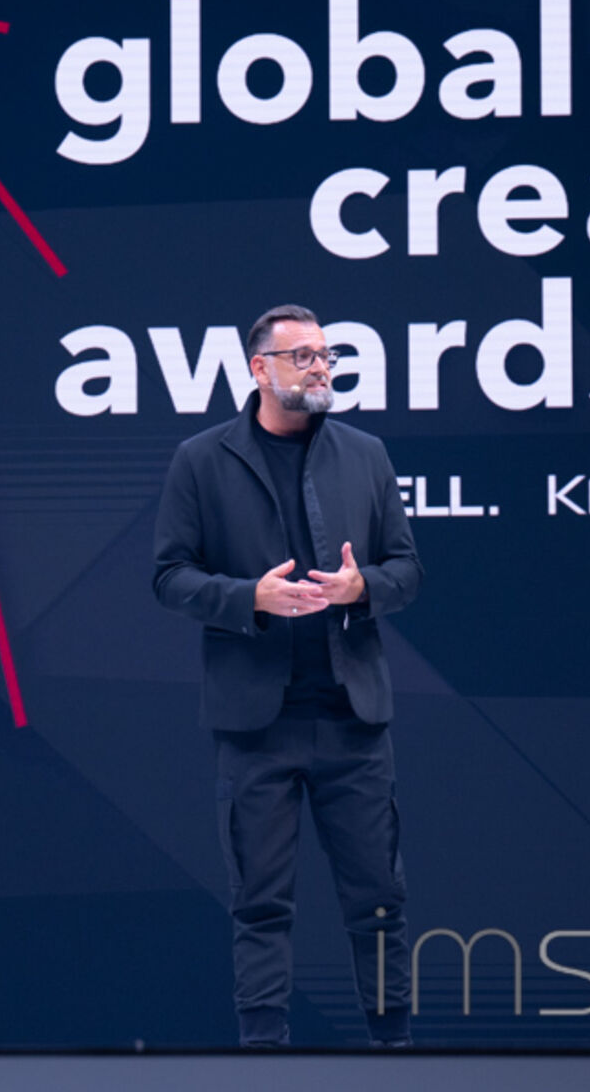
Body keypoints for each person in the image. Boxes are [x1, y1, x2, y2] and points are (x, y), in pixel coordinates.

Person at [153, 305, 423, 1047]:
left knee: (379, 900)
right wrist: (251, 598)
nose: (319, 368)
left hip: (352, 719)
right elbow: (170, 576)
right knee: (260, 904)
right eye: (302, 356)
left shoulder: (365, 454)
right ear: (258, 368)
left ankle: (394, 1047)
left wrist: (360, 587)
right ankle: (264, 1056)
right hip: (255, 725)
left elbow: (407, 569)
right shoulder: (201, 460)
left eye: (325, 355)